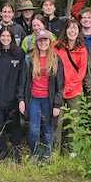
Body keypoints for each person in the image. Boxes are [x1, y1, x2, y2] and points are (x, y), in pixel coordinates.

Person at [18, 30, 64, 164]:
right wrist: (21, 100)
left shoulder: (56, 59)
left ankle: (47, 156)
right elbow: (22, 82)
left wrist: (57, 104)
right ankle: (35, 154)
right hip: (33, 99)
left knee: (48, 128)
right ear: (36, 42)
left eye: (45, 40)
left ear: (49, 42)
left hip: (48, 100)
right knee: (33, 129)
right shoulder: (30, 60)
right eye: (40, 40)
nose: (43, 43)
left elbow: (60, 86)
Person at [0, 26, 26, 161]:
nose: (5, 39)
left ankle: (17, 151)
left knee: (15, 125)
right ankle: (2, 150)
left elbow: (22, 76)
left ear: (12, 38)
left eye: (8, 36)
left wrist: (20, 96)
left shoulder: (19, 53)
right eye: (3, 36)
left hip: (13, 97)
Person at [53, 18, 88, 150]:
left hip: (74, 91)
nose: (72, 31)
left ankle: (73, 151)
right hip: (58, 90)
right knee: (57, 122)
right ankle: (55, 151)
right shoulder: (56, 46)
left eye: (75, 28)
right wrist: (59, 88)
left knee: (74, 122)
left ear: (78, 31)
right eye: (70, 27)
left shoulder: (82, 49)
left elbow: (81, 73)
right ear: (65, 30)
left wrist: (68, 88)